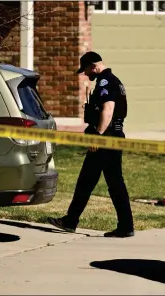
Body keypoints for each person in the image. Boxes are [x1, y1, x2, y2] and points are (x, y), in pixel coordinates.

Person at [47, 51, 135, 238]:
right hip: (110, 136)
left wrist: (97, 136)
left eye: (86, 70)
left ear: (94, 66)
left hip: (106, 139)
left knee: (113, 183)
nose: (86, 74)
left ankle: (126, 226)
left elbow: (108, 109)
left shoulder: (105, 82)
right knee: (87, 180)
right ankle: (71, 220)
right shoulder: (114, 81)